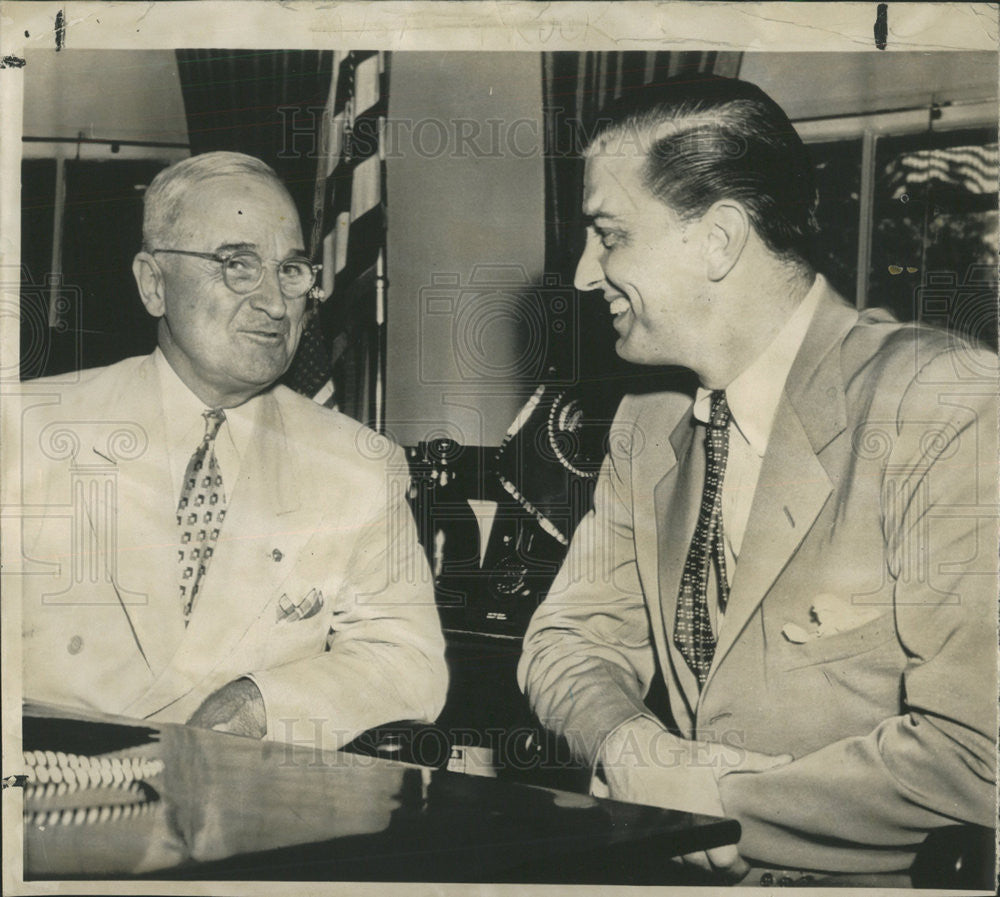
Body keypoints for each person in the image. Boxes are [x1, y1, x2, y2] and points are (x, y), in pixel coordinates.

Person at [517, 75, 997, 882]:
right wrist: (631, 748)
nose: (582, 274)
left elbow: (979, 755)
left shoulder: (945, 405)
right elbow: (567, 638)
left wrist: (716, 797)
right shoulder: (646, 420)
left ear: (718, 239)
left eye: (609, 235)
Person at [17, 151, 447, 748]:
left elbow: (407, 661)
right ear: (153, 284)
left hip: (246, 813)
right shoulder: (27, 431)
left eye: (291, 271)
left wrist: (264, 703)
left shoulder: (358, 466)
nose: (275, 302)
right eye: (238, 265)